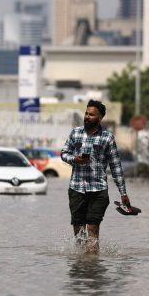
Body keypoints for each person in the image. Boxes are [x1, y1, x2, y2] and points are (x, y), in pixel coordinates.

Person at [60, 100, 131, 253]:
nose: (87, 117)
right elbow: (64, 153)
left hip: (98, 190)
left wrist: (123, 193)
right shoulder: (75, 133)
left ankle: (92, 266)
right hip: (76, 188)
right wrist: (75, 159)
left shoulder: (107, 138)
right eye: (86, 113)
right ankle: (81, 265)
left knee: (93, 228)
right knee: (79, 231)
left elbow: (116, 166)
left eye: (91, 115)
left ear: (100, 118)